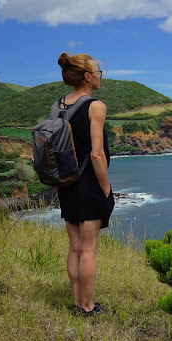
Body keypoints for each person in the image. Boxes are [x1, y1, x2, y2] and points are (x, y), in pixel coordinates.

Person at [56, 52, 114, 317]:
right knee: (89, 249)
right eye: (98, 71)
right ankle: (88, 307)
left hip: (66, 181)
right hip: (88, 183)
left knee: (75, 247)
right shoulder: (95, 106)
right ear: (88, 77)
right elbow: (96, 153)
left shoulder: (57, 105)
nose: (101, 76)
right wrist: (106, 188)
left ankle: (77, 303)